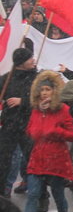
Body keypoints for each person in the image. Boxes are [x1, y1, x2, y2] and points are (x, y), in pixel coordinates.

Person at [23, 71, 73, 212]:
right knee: (32, 195)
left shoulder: (63, 109)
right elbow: (30, 128)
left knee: (58, 194)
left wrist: (56, 131)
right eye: (42, 89)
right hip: (38, 158)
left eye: (47, 89)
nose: (44, 92)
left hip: (56, 159)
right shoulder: (36, 109)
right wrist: (35, 131)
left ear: (54, 90)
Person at [0, 48, 38, 197]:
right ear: (21, 63)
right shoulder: (6, 78)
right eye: (30, 58)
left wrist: (23, 101)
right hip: (9, 125)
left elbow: (43, 100)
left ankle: (41, 195)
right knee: (4, 160)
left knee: (33, 160)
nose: (33, 60)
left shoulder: (36, 79)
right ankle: (3, 192)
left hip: (29, 125)